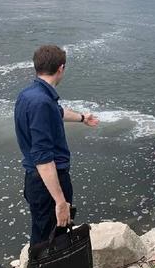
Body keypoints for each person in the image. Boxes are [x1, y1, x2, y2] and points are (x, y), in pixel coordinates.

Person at [14, 45, 99, 245]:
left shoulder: (29, 95)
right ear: (61, 68)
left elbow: (58, 112)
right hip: (48, 183)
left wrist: (82, 118)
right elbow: (43, 158)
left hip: (35, 181)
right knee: (49, 240)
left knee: (45, 233)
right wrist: (60, 202)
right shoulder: (42, 103)